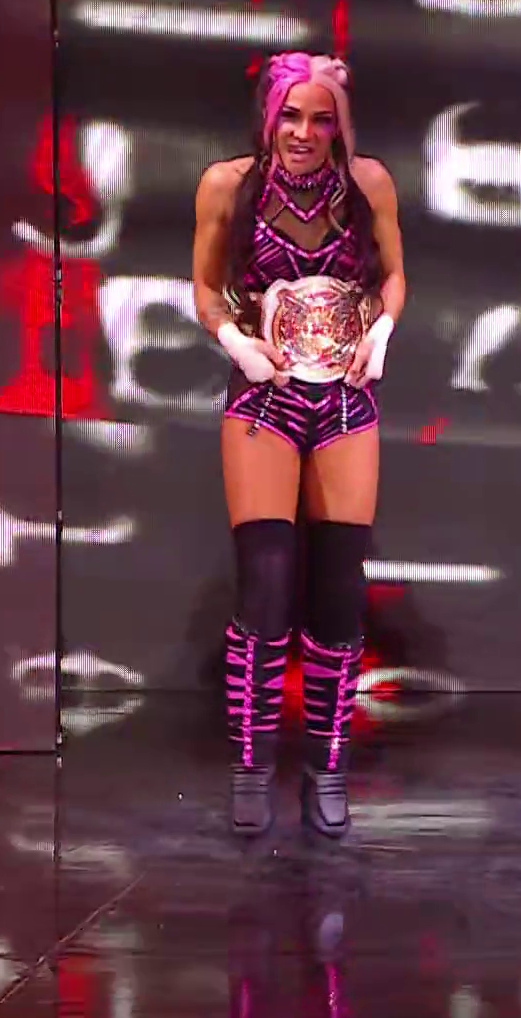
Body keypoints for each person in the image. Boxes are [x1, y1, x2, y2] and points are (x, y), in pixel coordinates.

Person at [191, 52, 408, 839]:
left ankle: (328, 764)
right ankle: (252, 767)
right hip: (265, 398)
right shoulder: (228, 184)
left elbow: (394, 276)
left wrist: (382, 332)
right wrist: (236, 344)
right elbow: (205, 287)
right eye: (291, 115)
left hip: (347, 400)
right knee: (266, 589)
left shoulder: (369, 183)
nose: (304, 132)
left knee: (340, 593)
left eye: (321, 118)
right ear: (268, 115)